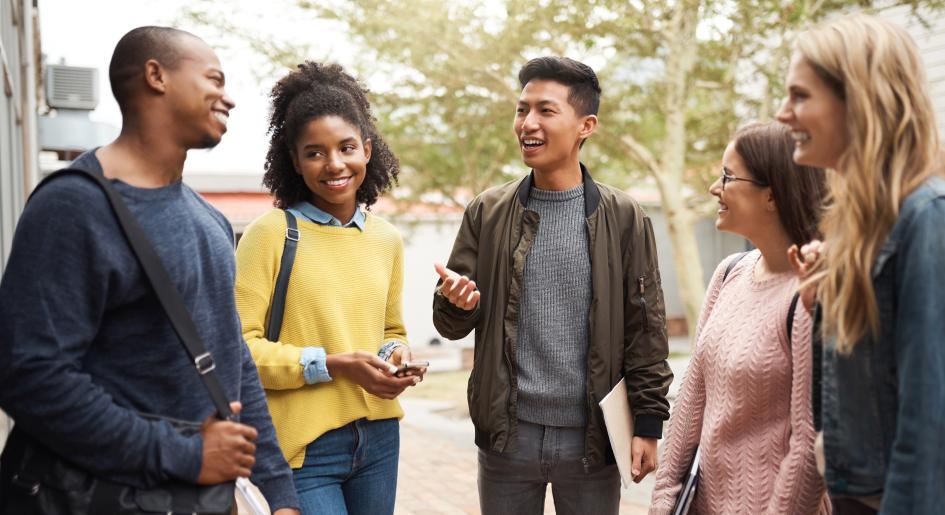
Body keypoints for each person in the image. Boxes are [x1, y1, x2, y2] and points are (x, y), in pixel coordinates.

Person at [0, 26, 299, 513]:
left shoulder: (211, 221)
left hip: (200, 499)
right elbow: (30, 375)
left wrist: (278, 490)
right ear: (156, 76)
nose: (229, 99)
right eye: (214, 79)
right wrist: (183, 454)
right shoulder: (72, 208)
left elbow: (234, 362)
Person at [432, 56, 673, 515]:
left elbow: (646, 326)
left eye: (545, 110)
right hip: (508, 439)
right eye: (522, 110)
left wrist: (648, 423)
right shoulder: (487, 211)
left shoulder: (625, 219)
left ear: (586, 125)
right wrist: (457, 304)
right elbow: (451, 322)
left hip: (592, 440)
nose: (528, 123)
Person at [234, 61, 421, 515]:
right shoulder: (271, 233)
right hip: (305, 447)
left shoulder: (385, 238)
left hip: (379, 439)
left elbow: (392, 328)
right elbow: (241, 351)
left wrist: (396, 357)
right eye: (315, 152)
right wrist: (334, 365)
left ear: (368, 150)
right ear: (295, 161)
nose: (334, 164)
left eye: (346, 147)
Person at [777, 13, 945, 515]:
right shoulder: (858, 223)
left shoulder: (926, 218)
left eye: (800, 96)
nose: (784, 113)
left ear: (861, 101)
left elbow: (929, 418)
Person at [649, 122, 830, 514]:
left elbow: (807, 446)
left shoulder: (809, 294)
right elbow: (693, 393)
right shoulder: (729, 271)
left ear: (772, 194)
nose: (716, 187)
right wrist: (664, 496)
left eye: (728, 176)